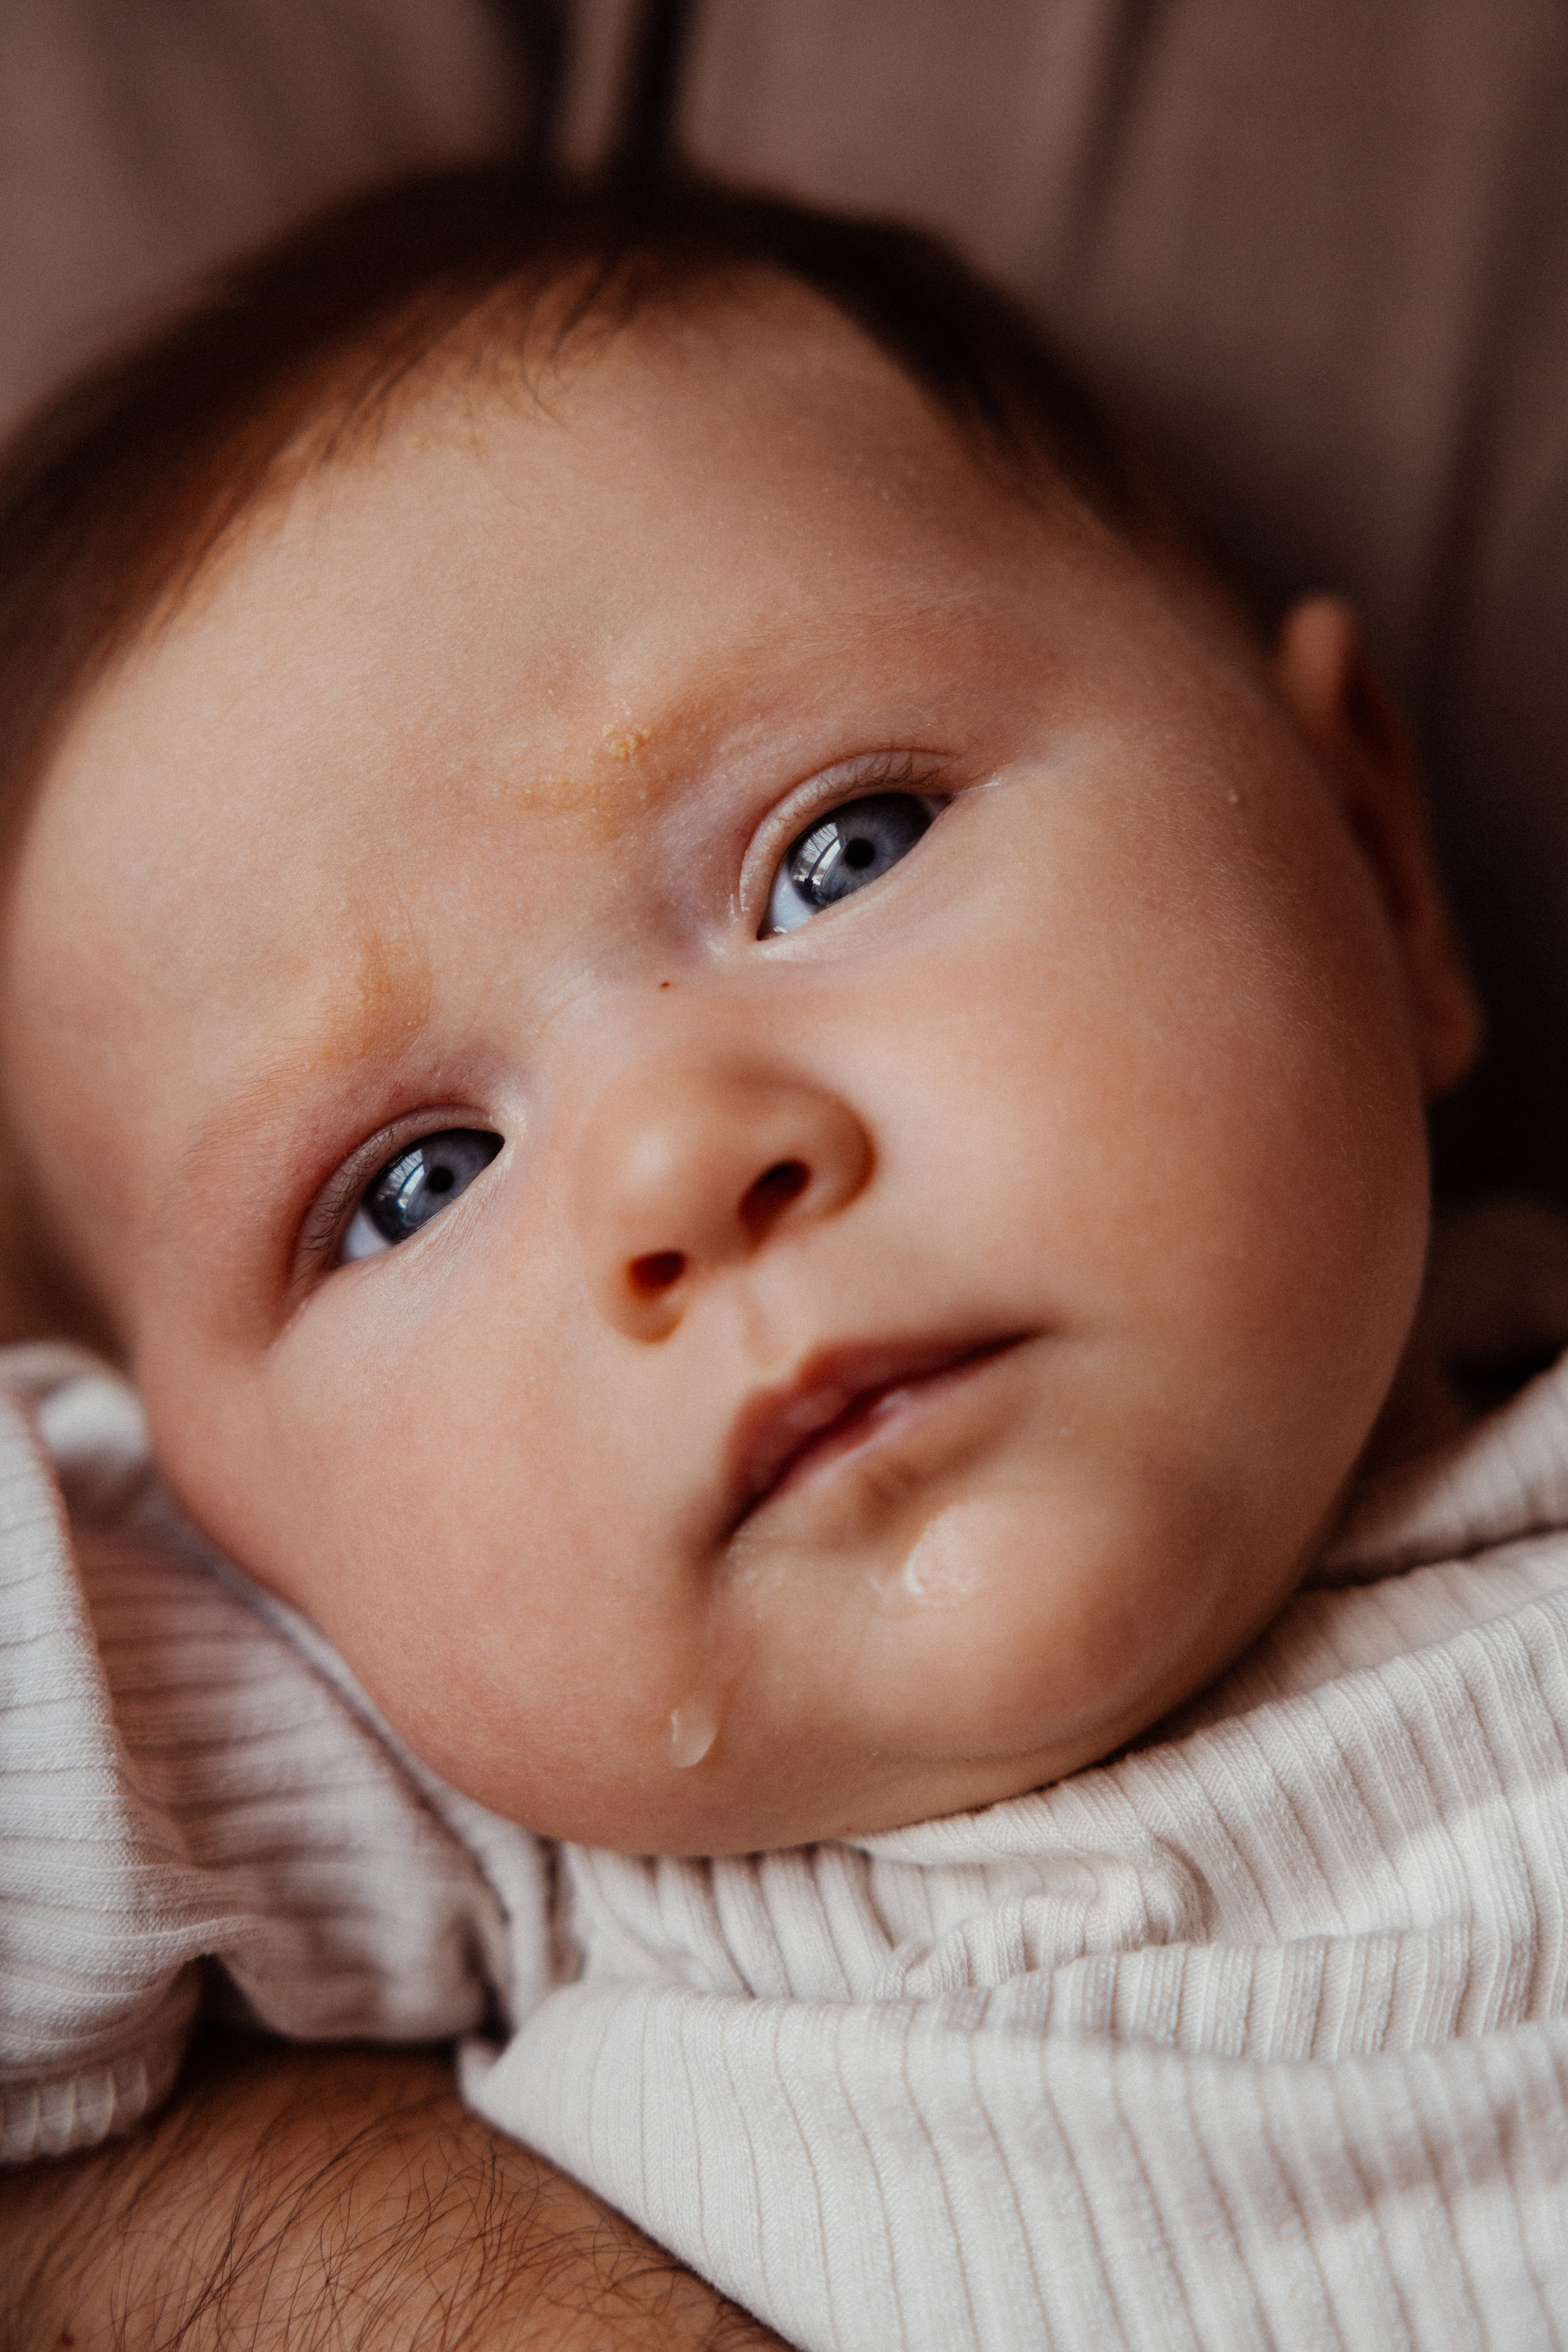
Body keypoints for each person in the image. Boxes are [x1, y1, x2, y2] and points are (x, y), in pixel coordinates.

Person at [2, 165, 1565, 2348]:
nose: (677, 1169)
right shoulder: (440, 1793)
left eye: (838, 852)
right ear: (226, 1519)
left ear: (1378, 863)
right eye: (411, 1188)